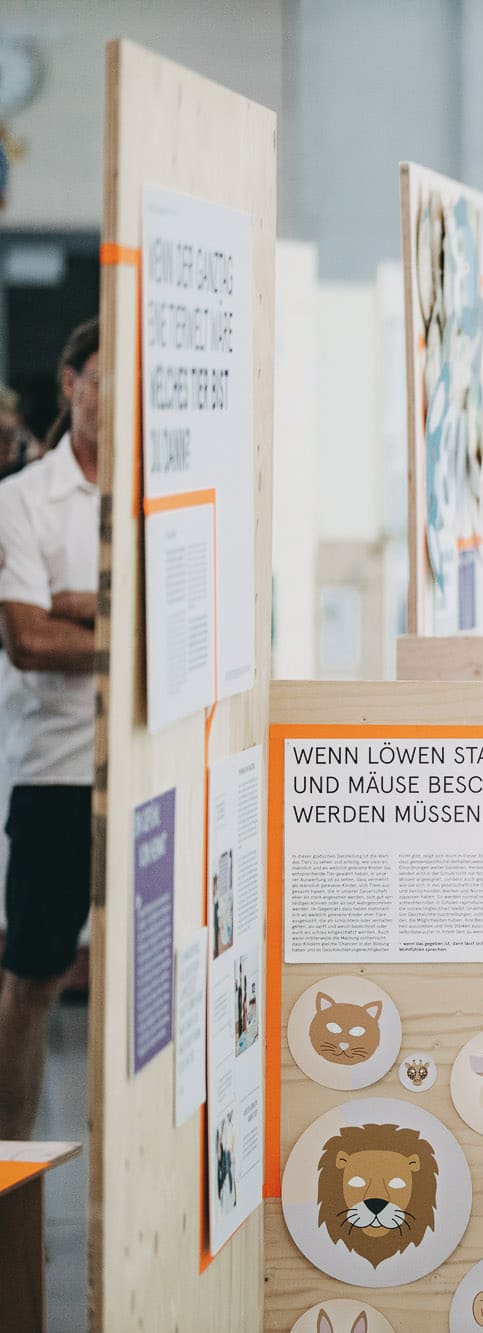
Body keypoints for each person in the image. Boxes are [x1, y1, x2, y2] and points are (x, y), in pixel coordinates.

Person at [0, 319, 103, 1139]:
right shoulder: (23, 499)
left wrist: (73, 604)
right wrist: (123, 629)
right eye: (105, 377)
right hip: (56, 771)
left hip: (150, 769)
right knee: (34, 978)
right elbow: (28, 642)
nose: (119, 398)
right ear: (71, 383)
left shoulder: (156, 496)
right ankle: (11, 1184)